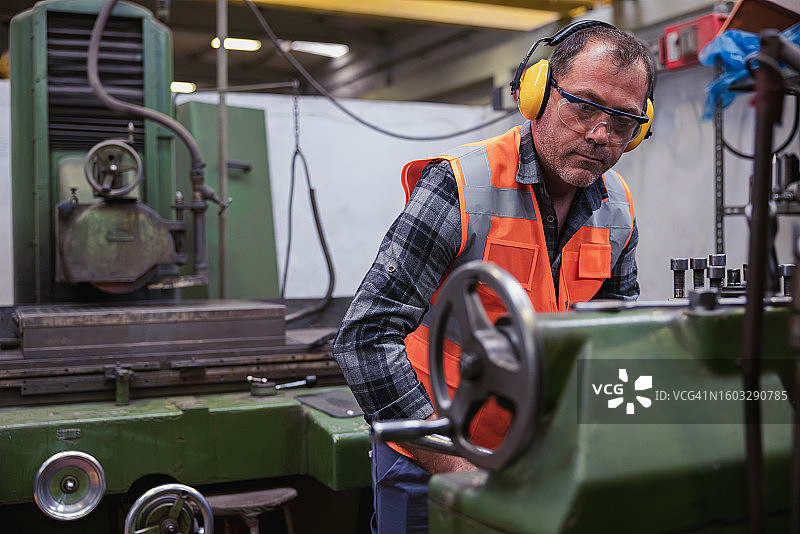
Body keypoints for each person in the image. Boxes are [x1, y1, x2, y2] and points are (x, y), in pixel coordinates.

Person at [333, 21, 655, 534]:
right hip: (430, 456)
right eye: (584, 105)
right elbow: (364, 338)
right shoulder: (461, 185)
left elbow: (615, 344)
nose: (601, 134)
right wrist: (454, 467)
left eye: (623, 120)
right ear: (537, 92)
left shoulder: (618, 208)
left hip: (540, 454)